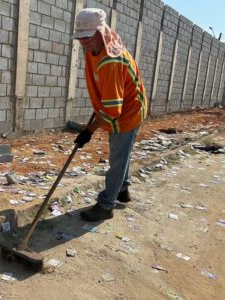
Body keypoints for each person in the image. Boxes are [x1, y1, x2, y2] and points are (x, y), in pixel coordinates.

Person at [72, 8, 148, 221]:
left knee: (117, 159)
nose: (83, 42)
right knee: (122, 155)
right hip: (118, 108)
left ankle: (106, 206)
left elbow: (112, 111)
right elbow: (104, 92)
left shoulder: (110, 61)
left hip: (128, 113)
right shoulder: (95, 48)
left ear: (101, 32)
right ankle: (122, 190)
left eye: (87, 37)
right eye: (80, 38)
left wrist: (88, 131)